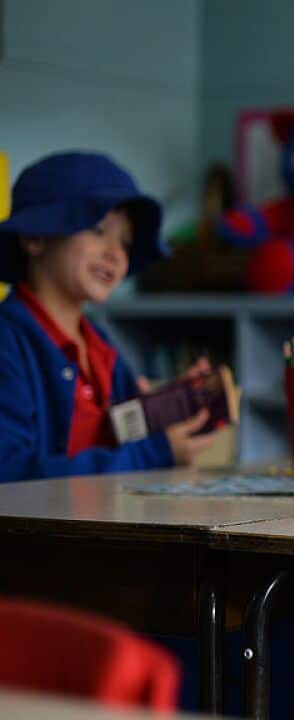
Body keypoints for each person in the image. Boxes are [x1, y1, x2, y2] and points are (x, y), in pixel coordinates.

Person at [0, 151, 215, 483]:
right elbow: (9, 473)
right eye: (98, 230)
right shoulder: (8, 342)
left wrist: (165, 407)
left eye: (126, 243)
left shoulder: (101, 345)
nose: (115, 254)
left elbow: (122, 441)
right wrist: (154, 453)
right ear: (34, 236)